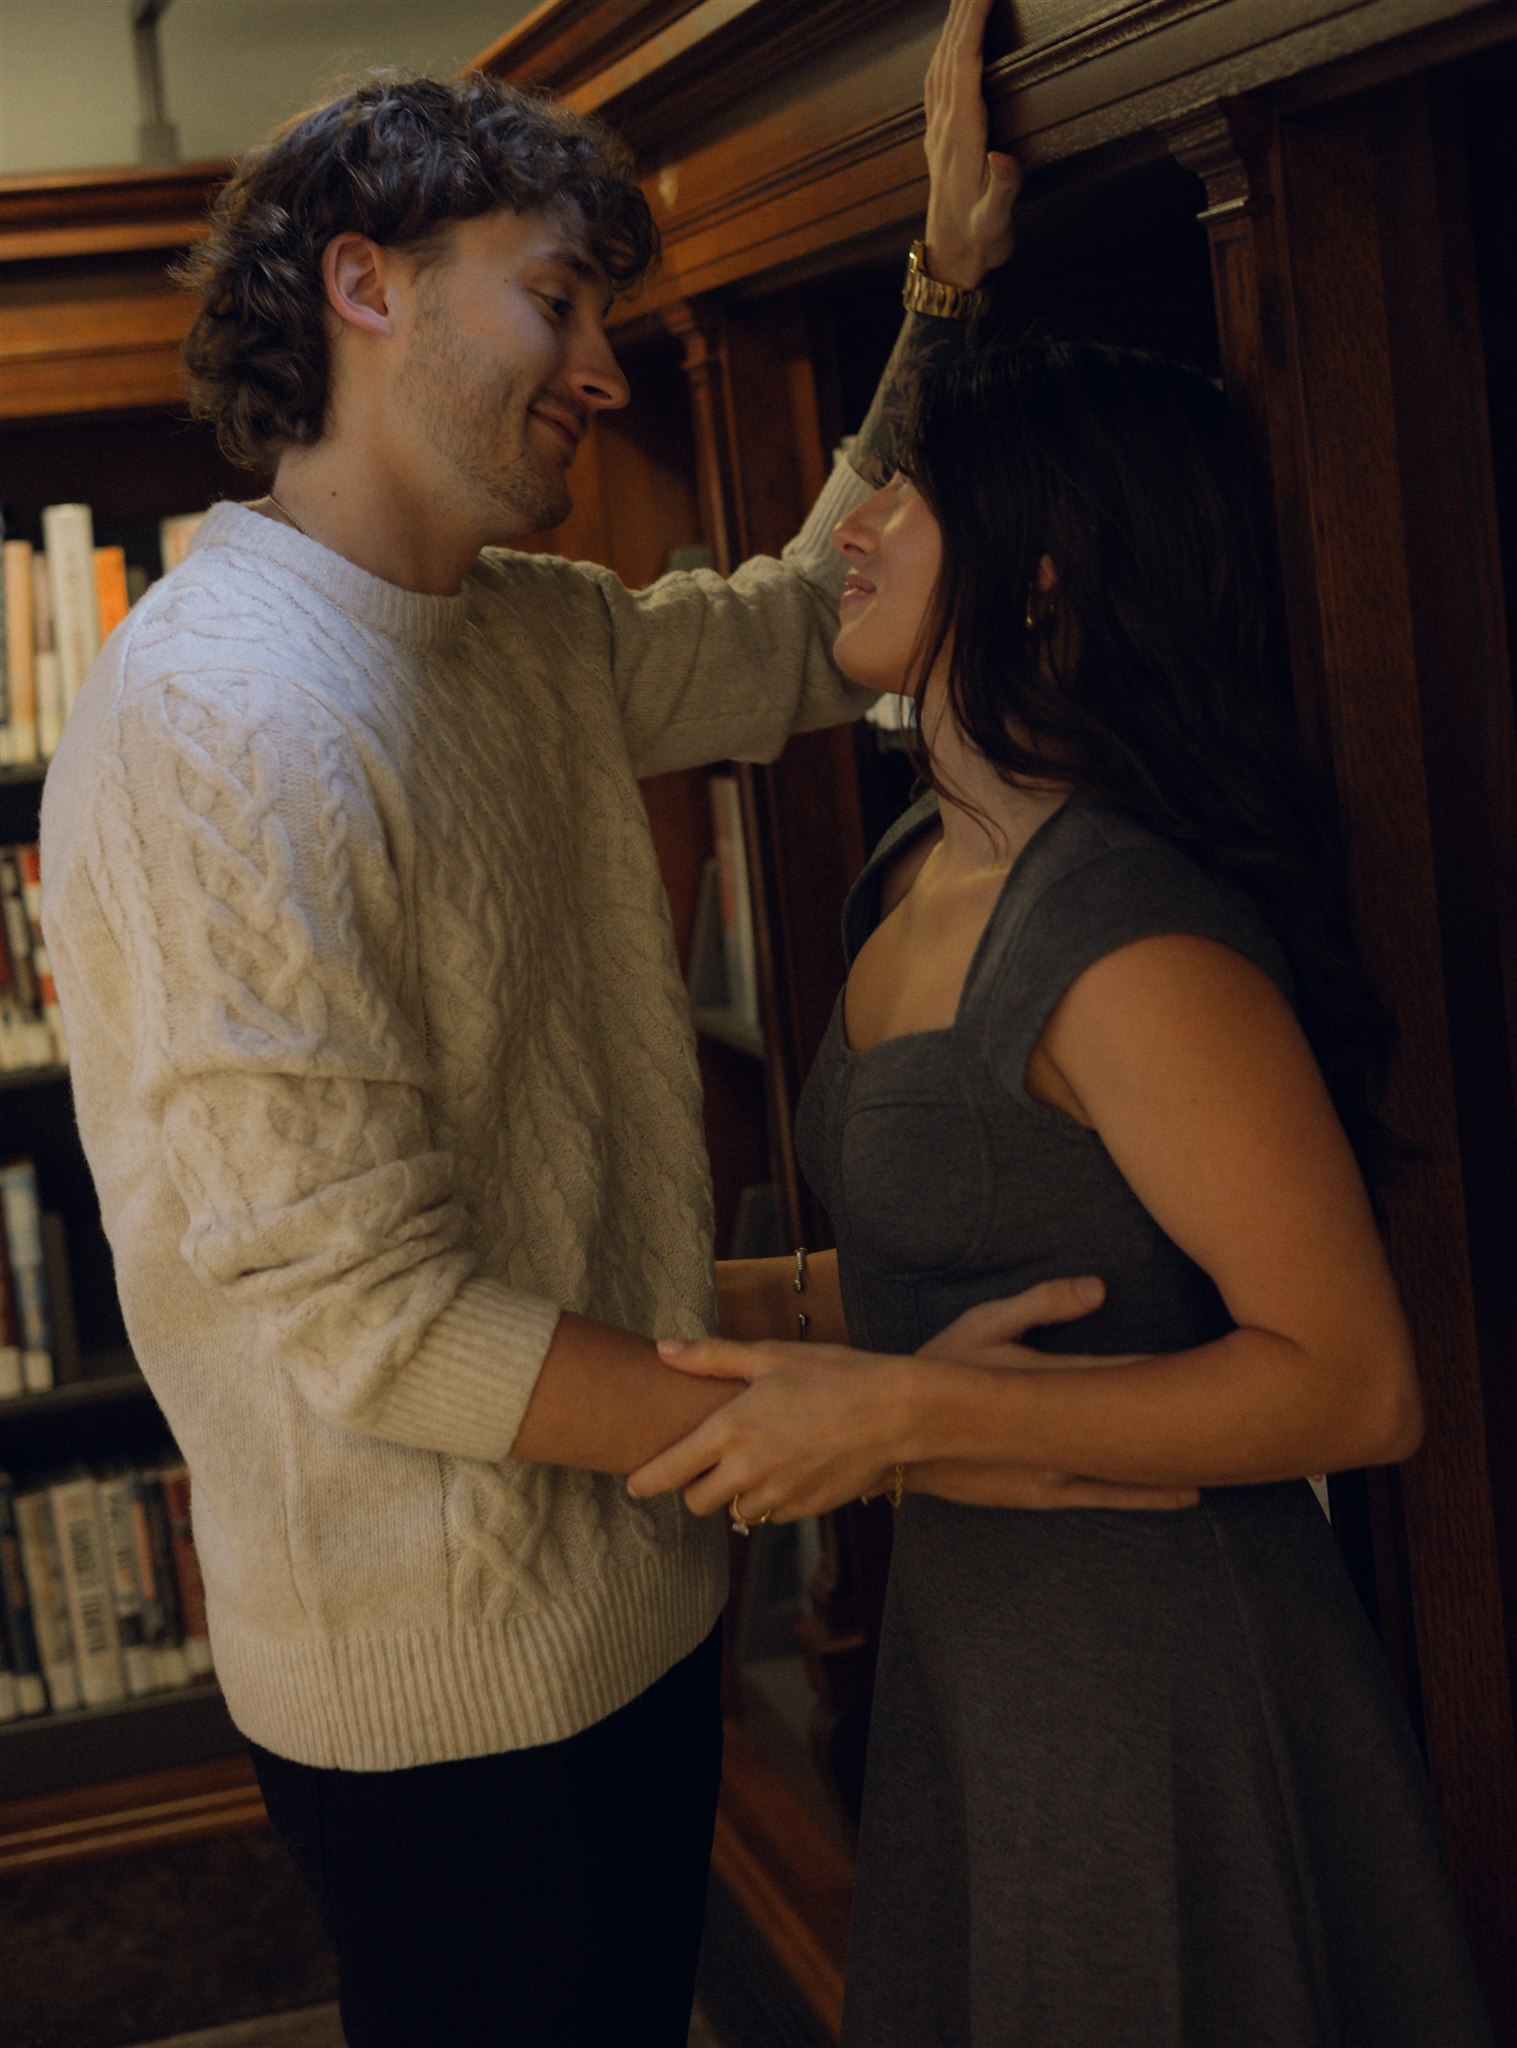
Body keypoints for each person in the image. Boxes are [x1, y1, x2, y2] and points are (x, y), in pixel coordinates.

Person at [35, 10, 1048, 2042]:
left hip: (645, 1588)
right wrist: (846, 1422)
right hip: (446, 1695)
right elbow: (370, 1314)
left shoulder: (533, 628)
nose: (604, 363)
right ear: (365, 280)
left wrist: (944, 284)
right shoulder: (220, 713)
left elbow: (789, 628)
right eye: (560, 295)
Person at [628, 263, 1499, 2048]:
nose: (853, 522)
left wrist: (902, 1420)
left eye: (909, 488)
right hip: (981, 1645)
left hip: (1157, 1673)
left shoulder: (1130, 945)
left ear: (1039, 568)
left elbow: (1354, 1389)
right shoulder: (910, 871)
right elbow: (952, 1261)